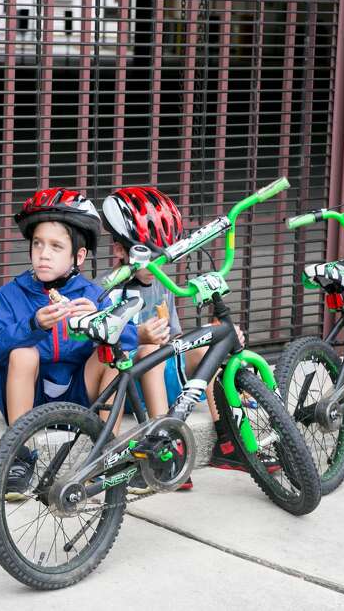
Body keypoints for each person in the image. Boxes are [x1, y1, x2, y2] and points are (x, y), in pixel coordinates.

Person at [0, 187, 137, 500]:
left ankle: (107, 452)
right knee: (23, 353)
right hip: (30, 397)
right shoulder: (11, 294)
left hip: (79, 395)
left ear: (78, 256)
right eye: (38, 243)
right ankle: (19, 455)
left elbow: (130, 340)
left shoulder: (92, 294)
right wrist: (33, 325)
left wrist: (99, 321)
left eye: (56, 246)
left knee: (112, 356)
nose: (44, 254)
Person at [99, 187, 257, 495]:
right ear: (119, 250)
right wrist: (143, 337)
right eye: (147, 255)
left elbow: (176, 338)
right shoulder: (107, 291)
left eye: (161, 256)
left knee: (209, 345)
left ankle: (228, 441)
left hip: (163, 380)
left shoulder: (162, 286)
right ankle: (165, 445)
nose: (156, 265)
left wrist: (211, 334)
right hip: (129, 389)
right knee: (149, 349)